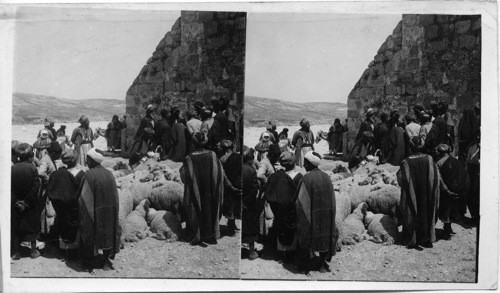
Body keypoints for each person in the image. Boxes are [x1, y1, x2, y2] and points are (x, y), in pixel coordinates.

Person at [77, 148, 120, 273]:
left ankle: (88, 263)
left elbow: (84, 197)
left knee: (89, 231)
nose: (86, 161)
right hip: (109, 210)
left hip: (94, 210)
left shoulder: (89, 175)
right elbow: (115, 195)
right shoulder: (109, 174)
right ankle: (105, 261)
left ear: (91, 160)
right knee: (108, 232)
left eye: (88, 159)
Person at [295, 151, 336, 275]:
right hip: (326, 214)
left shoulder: (307, 178)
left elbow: (301, 202)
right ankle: (322, 264)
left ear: (309, 163)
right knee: (324, 236)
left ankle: (305, 267)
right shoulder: (326, 177)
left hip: (312, 215)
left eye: (306, 162)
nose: (304, 165)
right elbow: (333, 198)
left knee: (306, 235)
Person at [180, 132, 225, 245]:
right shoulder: (213, 155)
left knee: (196, 207)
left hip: (197, 192)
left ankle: (197, 233)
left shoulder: (189, 158)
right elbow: (219, 173)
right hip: (211, 190)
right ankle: (211, 234)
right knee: (211, 208)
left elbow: (184, 176)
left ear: (194, 143)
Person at [397, 136, 440, 250]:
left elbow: (401, 180)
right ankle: (426, 238)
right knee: (426, 212)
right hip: (427, 193)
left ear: (410, 147)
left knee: (412, 211)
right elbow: (435, 177)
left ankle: (413, 238)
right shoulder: (429, 159)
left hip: (413, 195)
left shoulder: (406, 162)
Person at [265, 151, 302, 262]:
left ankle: (281, 253)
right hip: (293, 212)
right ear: (294, 163)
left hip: (279, 211)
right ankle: (291, 253)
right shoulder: (299, 177)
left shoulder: (276, 177)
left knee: (280, 227)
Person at [46, 149, 85, 255]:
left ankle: (64, 249)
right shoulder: (81, 174)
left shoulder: (58, 174)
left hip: (62, 209)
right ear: (76, 159)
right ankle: (75, 250)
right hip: (76, 208)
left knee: (63, 225)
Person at [11, 143, 42, 260]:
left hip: (16, 205)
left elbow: (9, 188)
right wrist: (26, 202)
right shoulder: (33, 169)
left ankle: (16, 252)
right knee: (32, 226)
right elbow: (35, 187)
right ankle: (33, 251)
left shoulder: (12, 169)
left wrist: (16, 202)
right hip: (30, 205)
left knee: (16, 227)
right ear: (30, 156)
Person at [434, 144, 469, 239]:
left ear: (441, 152)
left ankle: (446, 232)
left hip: (446, 191)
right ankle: (449, 228)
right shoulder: (456, 161)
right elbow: (463, 175)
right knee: (453, 209)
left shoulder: (439, 163)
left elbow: (439, 179)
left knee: (446, 210)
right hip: (457, 190)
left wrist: (446, 190)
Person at [219, 139, 242, 236]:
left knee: (230, 206)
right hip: (239, 185)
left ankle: (231, 229)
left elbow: (223, 175)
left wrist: (230, 186)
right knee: (237, 205)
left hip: (229, 186)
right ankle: (233, 225)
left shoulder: (222, 159)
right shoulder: (240, 157)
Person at [241, 146, 260, 260]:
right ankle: (252, 252)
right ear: (250, 160)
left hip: (240, 202)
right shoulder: (251, 170)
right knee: (250, 228)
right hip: (249, 204)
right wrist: (246, 202)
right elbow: (254, 189)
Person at [465, 133, 480, 225]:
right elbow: (469, 160)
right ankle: (475, 217)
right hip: (473, 175)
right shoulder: (473, 147)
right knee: (472, 196)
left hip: (479, 176)